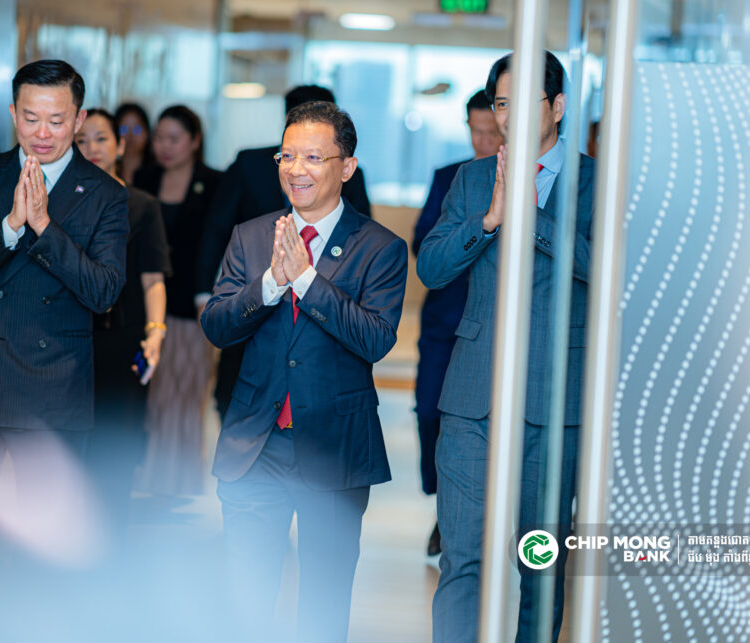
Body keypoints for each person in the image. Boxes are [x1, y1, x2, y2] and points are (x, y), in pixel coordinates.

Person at [202, 101, 408, 642]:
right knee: (244, 606)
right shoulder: (251, 237)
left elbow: (374, 338)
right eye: (287, 156)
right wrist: (272, 282)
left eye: (313, 157)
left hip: (334, 450)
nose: (296, 169)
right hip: (256, 448)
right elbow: (218, 326)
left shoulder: (380, 248)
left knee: (322, 609)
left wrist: (308, 281)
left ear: (347, 167)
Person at [417, 52, 595, 643]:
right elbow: (433, 267)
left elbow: (609, 270)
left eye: (524, 102)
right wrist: (489, 221)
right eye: (500, 103)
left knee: (540, 566)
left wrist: (532, 217)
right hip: (474, 400)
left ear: (558, 106)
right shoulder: (472, 179)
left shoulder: (596, 181)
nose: (508, 115)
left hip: (555, 403)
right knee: (461, 559)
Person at [0, 60, 129, 568]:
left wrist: (43, 227)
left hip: (52, 390)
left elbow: (103, 291)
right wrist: (10, 227)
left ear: (78, 119)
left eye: (56, 121)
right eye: (30, 118)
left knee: (44, 541)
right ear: (13, 114)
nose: (42, 133)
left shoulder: (105, 195)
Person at [196, 84, 373, 421]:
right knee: (236, 395)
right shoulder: (250, 164)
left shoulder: (348, 174)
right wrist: (204, 291)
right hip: (254, 300)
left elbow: (361, 238)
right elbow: (217, 228)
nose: (297, 170)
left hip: (322, 314)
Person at [412, 90, 503, 556]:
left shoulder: (527, 180)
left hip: (496, 324)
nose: (483, 142)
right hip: (445, 320)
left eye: (492, 132)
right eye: (476, 131)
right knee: (430, 411)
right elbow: (423, 244)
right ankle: (443, 504)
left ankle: (468, 517)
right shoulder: (449, 176)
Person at [75, 108, 171, 528]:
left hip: (122, 339)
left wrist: (156, 331)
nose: (91, 148)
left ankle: (111, 537)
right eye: (81, 141)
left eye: (101, 138)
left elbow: (153, 279)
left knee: (117, 444)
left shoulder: (142, 205)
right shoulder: (58, 202)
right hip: (69, 342)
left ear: (120, 145)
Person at [131, 105, 222, 496]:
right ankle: (147, 477)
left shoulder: (214, 183)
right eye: (159, 138)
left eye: (174, 139)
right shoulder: (144, 178)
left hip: (191, 309)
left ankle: (178, 483)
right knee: (152, 395)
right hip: (146, 306)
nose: (164, 147)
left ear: (195, 141)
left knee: (184, 395)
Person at [114, 102, 154, 186]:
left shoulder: (158, 174)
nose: (130, 135)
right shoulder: (108, 171)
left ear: (147, 132)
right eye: (123, 129)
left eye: (137, 129)